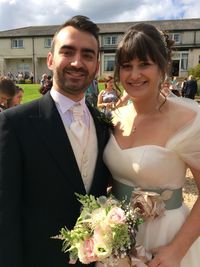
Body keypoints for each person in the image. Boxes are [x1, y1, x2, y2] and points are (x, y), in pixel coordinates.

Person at [0, 15, 111, 267]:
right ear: (50, 60)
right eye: (67, 51)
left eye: (87, 55)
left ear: (95, 66)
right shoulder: (15, 123)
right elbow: (5, 214)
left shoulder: (104, 125)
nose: (77, 62)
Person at [102, 23, 200, 267]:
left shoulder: (188, 120)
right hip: (116, 234)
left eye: (144, 64)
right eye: (126, 67)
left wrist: (176, 250)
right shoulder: (114, 118)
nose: (134, 75)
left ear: (163, 66)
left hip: (165, 239)